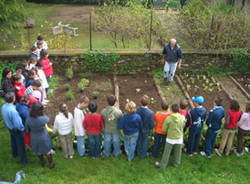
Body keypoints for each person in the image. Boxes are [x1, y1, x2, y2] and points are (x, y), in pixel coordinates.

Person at [155, 104, 185, 169]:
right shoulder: (182, 117)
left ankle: (162, 165)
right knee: (178, 152)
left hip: (170, 138)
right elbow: (183, 125)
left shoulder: (168, 119)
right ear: (178, 110)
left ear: (171, 110)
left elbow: (164, 129)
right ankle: (176, 164)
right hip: (179, 138)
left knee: (166, 152)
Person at [1, 92, 28, 164]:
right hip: (17, 130)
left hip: (10, 127)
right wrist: (22, 128)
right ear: (13, 99)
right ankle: (24, 161)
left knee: (13, 140)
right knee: (21, 145)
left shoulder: (4, 106)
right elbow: (18, 124)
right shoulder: (13, 111)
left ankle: (15, 153)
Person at [25, 102, 54, 169]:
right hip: (43, 137)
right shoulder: (43, 119)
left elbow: (27, 130)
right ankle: (51, 163)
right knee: (47, 151)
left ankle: (42, 162)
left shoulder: (28, 119)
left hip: (34, 137)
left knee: (38, 151)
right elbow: (47, 119)